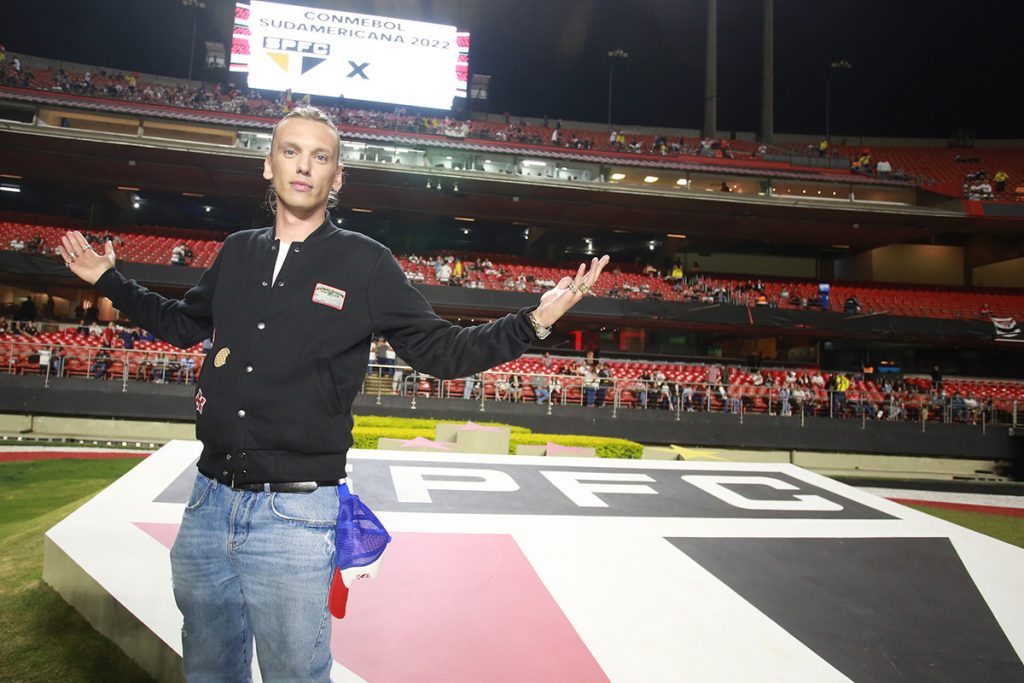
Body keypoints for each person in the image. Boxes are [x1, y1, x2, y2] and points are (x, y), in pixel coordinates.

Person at [57, 106, 609, 682]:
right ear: (268, 167)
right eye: (291, 152)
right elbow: (181, 324)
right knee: (209, 671)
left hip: (295, 512)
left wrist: (535, 321)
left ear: (337, 177)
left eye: (320, 157)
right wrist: (108, 282)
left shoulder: (365, 263)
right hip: (206, 503)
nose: (304, 167)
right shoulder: (238, 251)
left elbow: (442, 352)